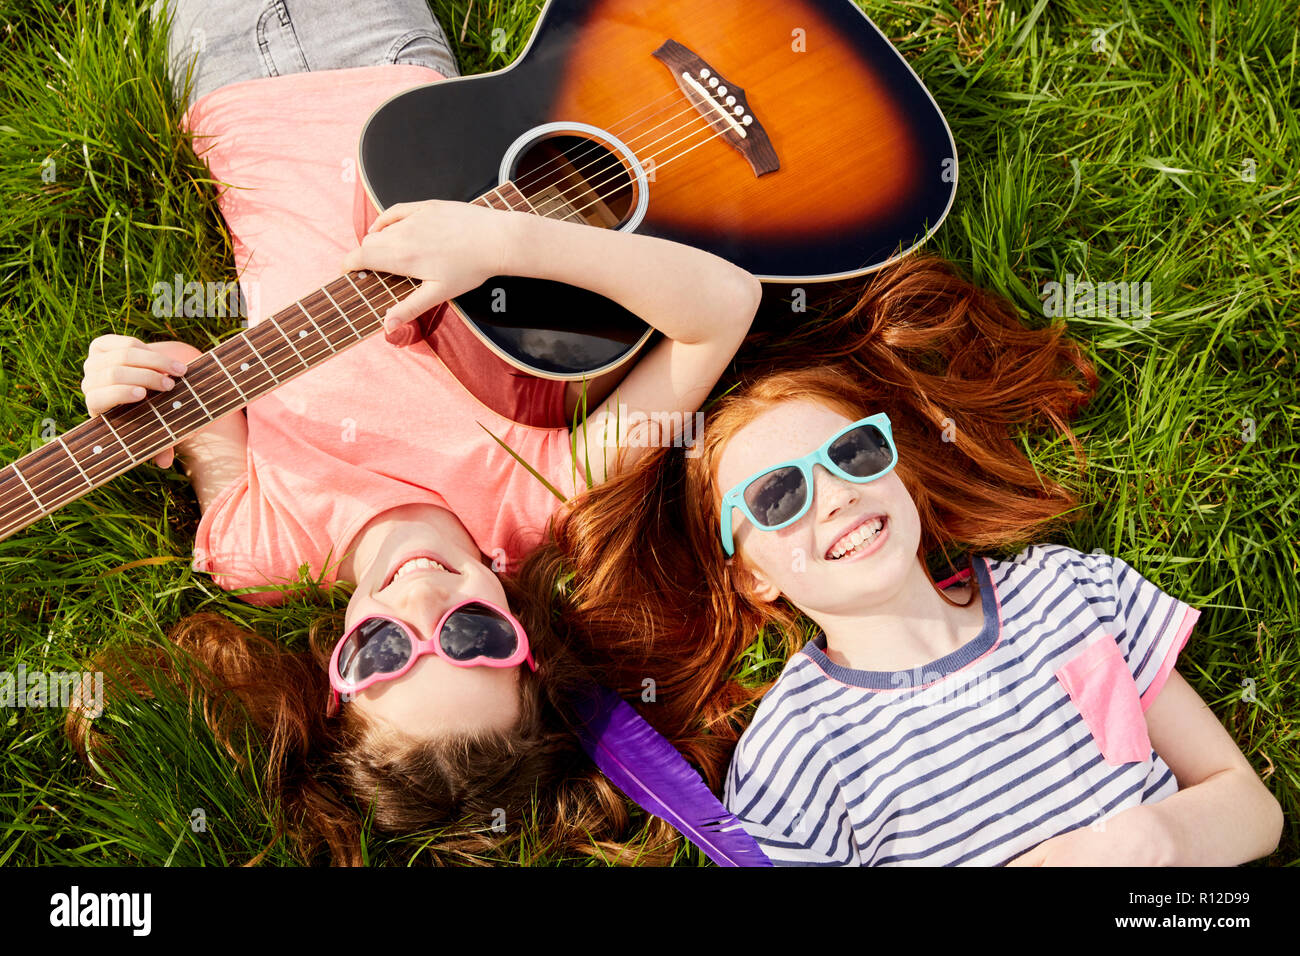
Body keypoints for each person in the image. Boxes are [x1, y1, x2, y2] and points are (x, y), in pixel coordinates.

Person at [67, 0, 760, 864]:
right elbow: (723, 310)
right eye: (474, 640)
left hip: (229, 88)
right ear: (526, 647)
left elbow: (193, 386)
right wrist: (501, 240)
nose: (423, 602)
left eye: (385, 650)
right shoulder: (541, 492)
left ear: (336, 678)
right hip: (391, 65)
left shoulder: (262, 552)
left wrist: (125, 376)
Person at [529, 254, 1284, 865]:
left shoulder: (1067, 593)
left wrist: (1150, 842)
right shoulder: (799, 750)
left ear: (899, 472)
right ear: (751, 574)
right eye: (777, 498)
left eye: (853, 454)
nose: (831, 497)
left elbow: (1251, 809)